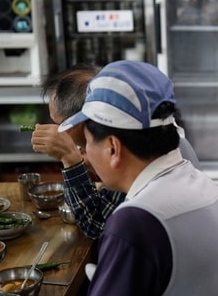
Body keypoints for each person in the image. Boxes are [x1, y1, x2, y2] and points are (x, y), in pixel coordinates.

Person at [59, 60, 218, 296]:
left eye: (85, 141)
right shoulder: (195, 180)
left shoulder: (137, 223)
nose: (84, 153)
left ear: (113, 148)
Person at [30, 63, 200, 239]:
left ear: (88, 116)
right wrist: (94, 160)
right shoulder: (153, 134)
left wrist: (71, 161)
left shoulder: (130, 152)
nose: (56, 132)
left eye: (59, 125)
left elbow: (98, 226)